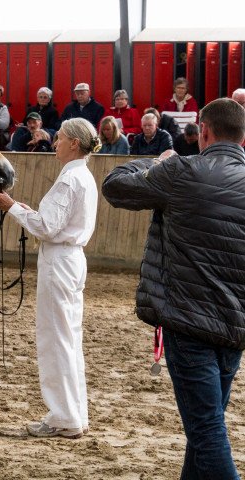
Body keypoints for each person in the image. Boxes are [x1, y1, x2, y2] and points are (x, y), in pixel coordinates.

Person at [101, 97, 245, 480]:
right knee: (206, 425)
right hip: (236, 327)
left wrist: (153, 163)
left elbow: (115, 188)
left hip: (189, 321)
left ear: (205, 132)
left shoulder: (182, 171)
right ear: (242, 139)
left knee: (206, 429)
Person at [0, 117, 100, 439]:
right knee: (68, 338)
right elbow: (53, 222)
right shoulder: (83, 177)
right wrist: (24, 210)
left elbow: (47, 227)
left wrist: (12, 208)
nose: (56, 143)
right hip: (71, 258)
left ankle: (63, 417)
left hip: (60, 260)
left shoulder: (69, 180)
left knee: (56, 340)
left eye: (61, 138)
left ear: (74, 144)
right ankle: (73, 413)